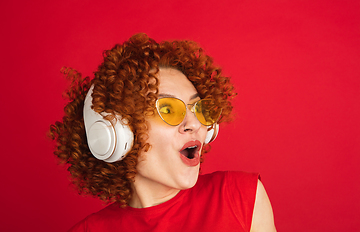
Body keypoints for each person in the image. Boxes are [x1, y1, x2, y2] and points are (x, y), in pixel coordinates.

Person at [50, 33, 276, 231]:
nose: (194, 124)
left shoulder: (240, 197)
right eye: (167, 109)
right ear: (119, 133)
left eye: (198, 109)